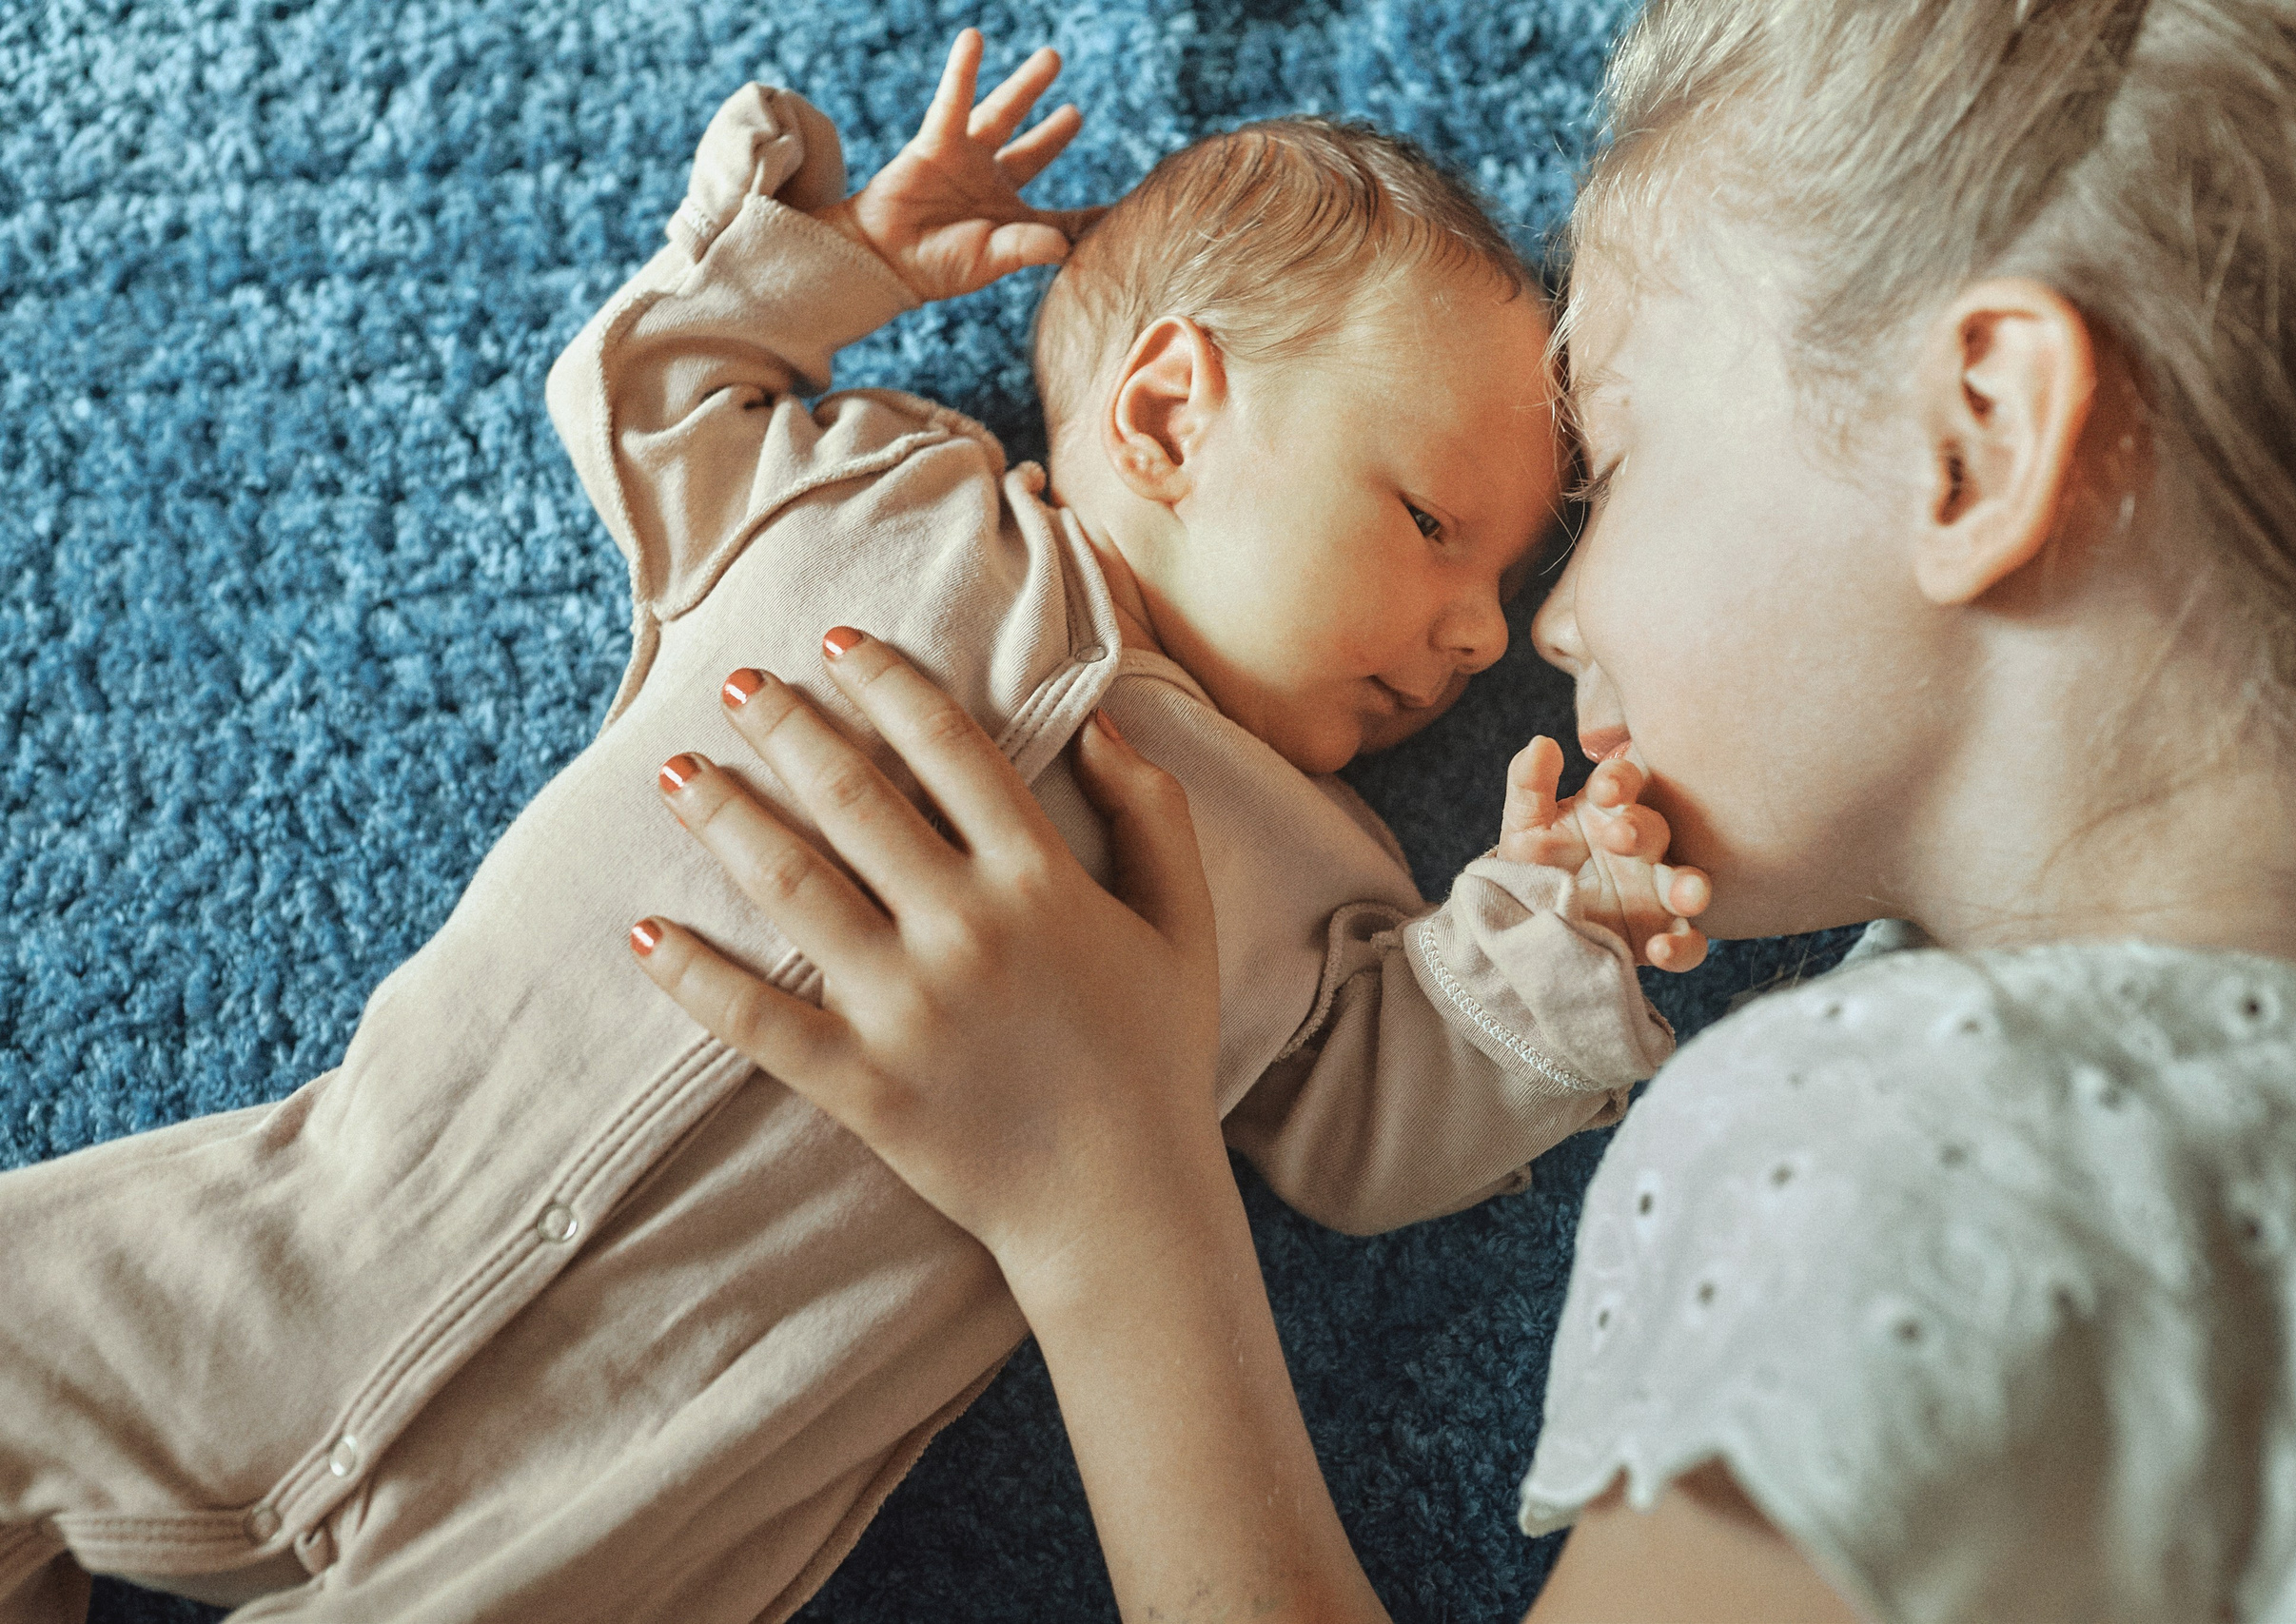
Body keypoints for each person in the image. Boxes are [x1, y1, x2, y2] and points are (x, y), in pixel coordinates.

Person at [632, 0, 2296, 1617]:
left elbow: (1360, 1088)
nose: (1535, 628)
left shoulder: (1914, 1137)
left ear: (1975, 437)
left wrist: (1102, 1195)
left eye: (1616, 463)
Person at [0, 29, 1714, 1624]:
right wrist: (850, 262)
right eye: (1429, 522)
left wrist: (1544, 941)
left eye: (1500, 579)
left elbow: (1367, 1131)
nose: (1485, 635)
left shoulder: (1321, 880)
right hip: (324, 1226)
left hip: (650, 1467)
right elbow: (651, 399)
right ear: (1168, 413)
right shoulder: (880, 495)